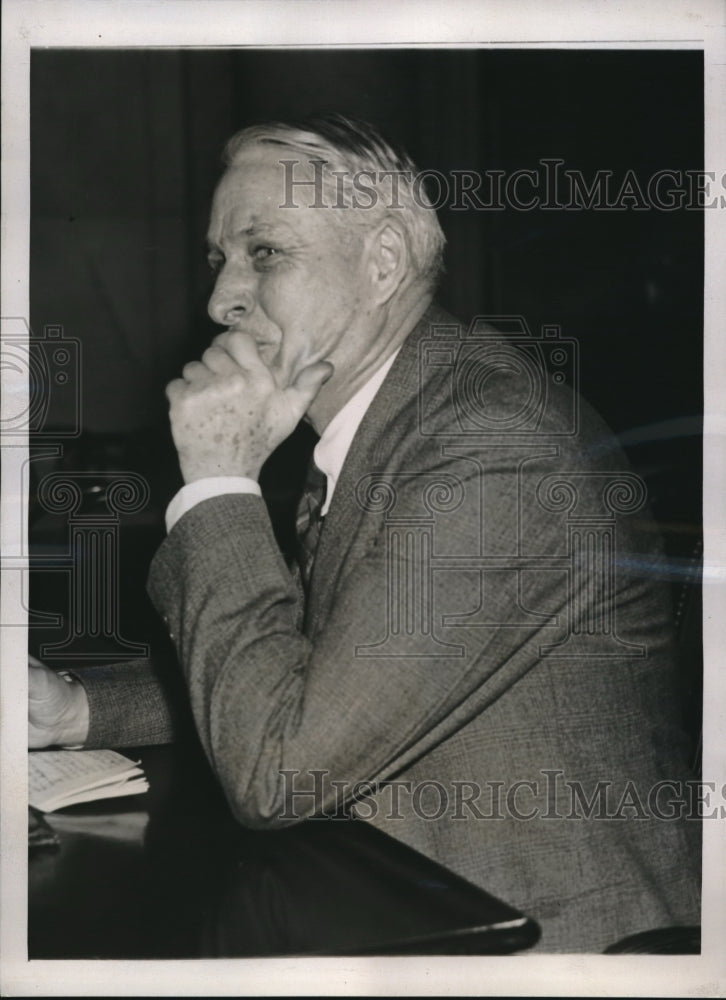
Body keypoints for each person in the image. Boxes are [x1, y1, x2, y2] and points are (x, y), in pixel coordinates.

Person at [29, 114, 701, 951]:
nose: (220, 298)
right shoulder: (405, 416)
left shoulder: (492, 447)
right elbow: (313, 667)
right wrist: (79, 712)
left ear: (382, 262)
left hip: (546, 944)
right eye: (219, 258)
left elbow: (279, 768)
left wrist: (216, 481)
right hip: (409, 900)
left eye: (264, 252)